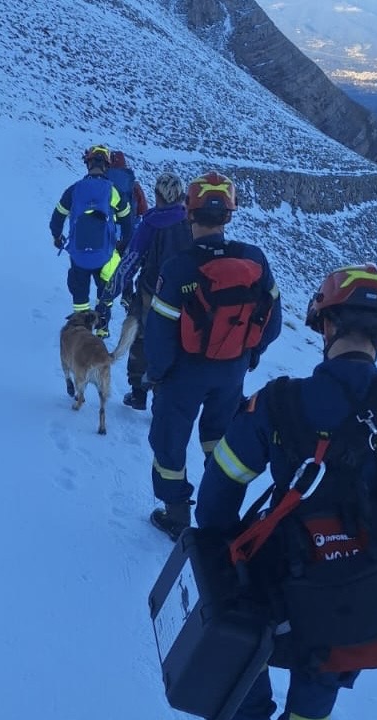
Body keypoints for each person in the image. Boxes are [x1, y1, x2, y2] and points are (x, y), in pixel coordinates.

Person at [195, 264, 377, 720]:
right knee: (322, 676)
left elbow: (221, 488)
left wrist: (217, 556)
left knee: (247, 654)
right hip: (366, 589)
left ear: (325, 325)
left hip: (281, 577)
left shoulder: (278, 402)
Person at [144, 172, 282, 538]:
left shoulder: (178, 268)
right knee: (220, 442)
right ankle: (219, 511)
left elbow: (158, 331)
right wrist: (249, 356)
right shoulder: (255, 260)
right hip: (232, 371)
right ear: (229, 216)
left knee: (169, 440)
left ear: (190, 213)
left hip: (184, 374)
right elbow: (273, 320)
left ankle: (176, 514)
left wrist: (157, 373)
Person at [96, 172, 192, 410]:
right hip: (185, 296)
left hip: (151, 293)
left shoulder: (151, 224)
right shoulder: (191, 222)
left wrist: (110, 293)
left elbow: (130, 261)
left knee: (140, 338)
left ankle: (138, 392)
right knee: (172, 343)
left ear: (158, 195)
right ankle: (162, 397)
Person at [50, 145, 133, 337]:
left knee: (80, 295)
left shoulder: (74, 190)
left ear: (88, 164)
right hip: (105, 253)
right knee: (105, 293)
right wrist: (123, 242)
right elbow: (126, 220)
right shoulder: (112, 191)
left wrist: (57, 236)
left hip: (79, 254)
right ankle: (102, 328)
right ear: (107, 166)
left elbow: (57, 217)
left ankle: (81, 330)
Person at [106, 150, 149, 226]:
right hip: (130, 226)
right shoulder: (133, 185)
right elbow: (144, 210)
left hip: (109, 226)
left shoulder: (104, 183)